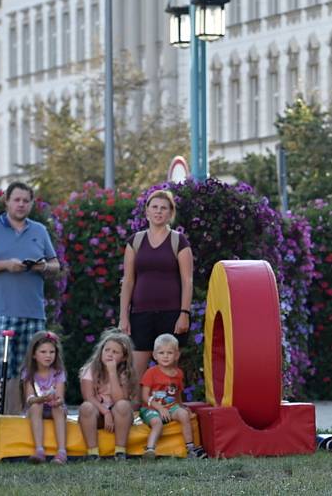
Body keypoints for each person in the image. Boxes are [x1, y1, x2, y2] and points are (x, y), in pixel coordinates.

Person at [0, 182, 61, 414]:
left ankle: (22, 425)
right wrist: (6, 265)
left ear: (31, 204)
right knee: (0, 372)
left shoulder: (39, 230)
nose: (21, 204)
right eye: (16, 200)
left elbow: (56, 265)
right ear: (6, 201)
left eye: (25, 201)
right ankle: (5, 423)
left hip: (33, 313)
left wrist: (43, 267)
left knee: (30, 372)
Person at [119, 189, 194, 381]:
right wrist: (123, 317)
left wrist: (184, 314)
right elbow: (128, 280)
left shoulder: (179, 241)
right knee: (136, 374)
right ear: (147, 211)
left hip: (171, 315)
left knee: (170, 375)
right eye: (154, 207)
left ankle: (169, 410)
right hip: (140, 315)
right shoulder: (135, 241)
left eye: (163, 208)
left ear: (170, 213)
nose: (158, 211)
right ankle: (134, 409)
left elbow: (187, 280)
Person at [139, 333, 206, 459]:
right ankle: (150, 450)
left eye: (169, 353)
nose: (165, 356)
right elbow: (144, 396)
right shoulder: (151, 373)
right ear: (154, 355)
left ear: (176, 355)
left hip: (171, 407)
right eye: (161, 353)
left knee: (184, 414)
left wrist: (181, 406)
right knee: (157, 422)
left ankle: (191, 449)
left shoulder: (178, 374)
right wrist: (160, 408)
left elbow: (177, 394)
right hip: (151, 408)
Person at [78, 328, 137, 460]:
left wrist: (112, 373)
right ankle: (93, 453)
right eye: (107, 350)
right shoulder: (90, 369)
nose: (109, 354)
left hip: (119, 417)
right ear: (101, 351)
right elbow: (88, 396)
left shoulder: (124, 373)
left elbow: (120, 400)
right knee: (86, 407)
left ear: (124, 357)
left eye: (115, 352)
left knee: (123, 405)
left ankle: (120, 451)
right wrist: (106, 412)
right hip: (98, 414)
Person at [21, 330, 68, 464]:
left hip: (53, 408)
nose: (48, 356)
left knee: (58, 408)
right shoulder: (28, 373)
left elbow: (60, 397)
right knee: (36, 406)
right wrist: (42, 399)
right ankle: (39, 450)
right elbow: (30, 399)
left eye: (52, 352)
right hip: (37, 408)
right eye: (43, 352)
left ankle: (61, 452)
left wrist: (57, 401)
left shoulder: (58, 372)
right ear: (34, 355)